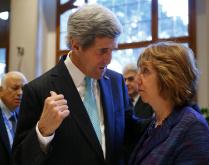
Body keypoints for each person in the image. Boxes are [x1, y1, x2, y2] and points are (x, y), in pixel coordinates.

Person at [12, 4, 142, 165]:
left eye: (112, 50)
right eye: (102, 51)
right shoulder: (37, 90)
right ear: (76, 45)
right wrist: (43, 131)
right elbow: (20, 159)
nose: (109, 60)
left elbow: (131, 133)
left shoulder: (116, 82)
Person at [128, 41, 209, 165]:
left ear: (169, 78)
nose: (137, 79)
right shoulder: (155, 122)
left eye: (146, 71)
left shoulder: (193, 126)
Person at [0, 71, 27, 165]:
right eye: (15, 88)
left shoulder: (25, 115)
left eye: (23, 89)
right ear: (1, 91)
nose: (20, 93)